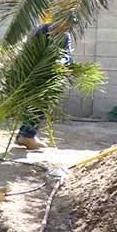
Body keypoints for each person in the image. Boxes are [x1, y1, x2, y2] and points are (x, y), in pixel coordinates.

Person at [14, 20, 73, 150]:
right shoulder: (41, 31)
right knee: (38, 105)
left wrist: (62, 62)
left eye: (69, 25)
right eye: (66, 23)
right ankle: (27, 136)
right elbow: (28, 51)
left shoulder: (65, 36)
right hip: (31, 73)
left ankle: (24, 135)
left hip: (48, 75)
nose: (67, 27)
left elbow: (67, 55)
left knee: (40, 104)